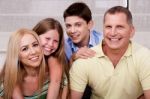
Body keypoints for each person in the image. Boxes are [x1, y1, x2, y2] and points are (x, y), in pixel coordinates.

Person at [69, 6, 150, 99]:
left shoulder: (145, 57)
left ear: (131, 31)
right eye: (108, 27)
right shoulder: (85, 59)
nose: (113, 32)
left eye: (119, 27)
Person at [63, 2, 103, 99]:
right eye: (68, 26)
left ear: (90, 24)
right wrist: (73, 58)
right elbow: (64, 79)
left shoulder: (104, 41)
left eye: (78, 25)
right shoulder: (64, 45)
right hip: (77, 89)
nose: (72, 30)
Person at [0, 28, 47, 99]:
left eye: (35, 45)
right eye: (24, 49)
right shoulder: (5, 82)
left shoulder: (53, 76)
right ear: (16, 55)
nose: (33, 52)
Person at [32, 18, 70, 99]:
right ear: (35, 35)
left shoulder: (54, 60)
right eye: (47, 38)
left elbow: (56, 83)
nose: (51, 44)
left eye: (56, 41)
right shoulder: (24, 57)